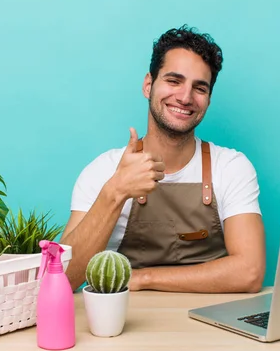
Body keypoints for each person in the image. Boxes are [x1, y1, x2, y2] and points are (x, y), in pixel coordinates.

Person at [60, 25, 265, 294]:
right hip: (124, 324)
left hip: (212, 324)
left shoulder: (230, 167)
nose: (185, 97)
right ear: (148, 85)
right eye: (173, 81)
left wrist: (144, 279)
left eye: (199, 88)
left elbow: (249, 272)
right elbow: (65, 278)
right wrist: (116, 191)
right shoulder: (103, 170)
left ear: (209, 99)